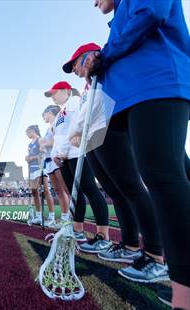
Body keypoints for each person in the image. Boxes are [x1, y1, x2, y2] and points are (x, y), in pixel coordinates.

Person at [84, 0, 190, 307]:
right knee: (172, 173)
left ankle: (184, 291)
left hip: (157, 84)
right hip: (138, 93)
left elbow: (152, 12)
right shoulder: (118, 16)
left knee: (162, 177)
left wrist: (102, 56)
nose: (93, 1)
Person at [65, 43, 164, 277]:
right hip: (92, 136)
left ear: (87, 57)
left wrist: (78, 131)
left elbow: (102, 104)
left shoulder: (105, 73)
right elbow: (81, 117)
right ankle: (130, 244)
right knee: (115, 192)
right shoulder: (89, 86)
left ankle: (155, 253)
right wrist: (76, 133)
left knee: (131, 187)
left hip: (109, 128)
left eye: (75, 65)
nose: (75, 71)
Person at [47, 81, 112, 253]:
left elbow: (77, 127)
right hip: (65, 157)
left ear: (65, 91)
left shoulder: (75, 102)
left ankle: (103, 235)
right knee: (74, 195)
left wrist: (66, 150)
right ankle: (77, 230)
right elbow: (60, 136)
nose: (52, 96)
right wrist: (56, 153)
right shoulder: (61, 111)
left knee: (90, 189)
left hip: (77, 153)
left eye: (54, 93)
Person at [41, 105, 70, 224]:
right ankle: (64, 218)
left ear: (49, 112)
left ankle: (68, 218)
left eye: (44, 114)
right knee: (58, 190)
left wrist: (44, 144)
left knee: (65, 189)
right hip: (48, 160)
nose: (43, 117)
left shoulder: (57, 122)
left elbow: (55, 141)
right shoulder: (48, 129)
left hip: (57, 158)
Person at [25, 125, 56, 227]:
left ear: (33, 131)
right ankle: (38, 216)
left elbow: (43, 154)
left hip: (40, 168)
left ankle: (52, 217)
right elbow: (30, 157)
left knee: (45, 191)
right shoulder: (29, 144)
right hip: (32, 170)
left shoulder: (40, 140)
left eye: (28, 132)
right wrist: (27, 158)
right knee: (34, 192)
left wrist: (32, 157)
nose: (27, 134)